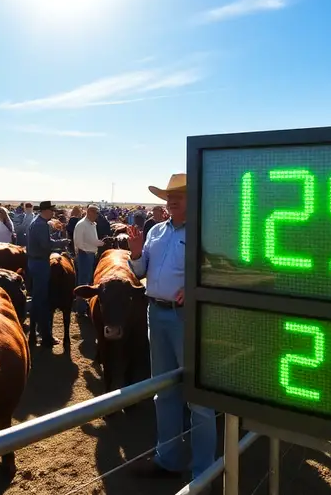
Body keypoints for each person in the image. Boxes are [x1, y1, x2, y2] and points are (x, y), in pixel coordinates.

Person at [128, 174, 215, 482]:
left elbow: (219, 272)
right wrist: (136, 253)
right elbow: (140, 273)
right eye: (168, 195)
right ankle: (169, 458)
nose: (171, 200)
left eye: (179, 195)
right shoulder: (154, 232)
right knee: (163, 391)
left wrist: (196, 290)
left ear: (194, 200)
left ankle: (203, 472)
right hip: (156, 313)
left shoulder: (205, 234)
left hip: (185, 318)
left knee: (198, 398)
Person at [26, 200, 67, 347]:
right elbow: (45, 246)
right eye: (51, 210)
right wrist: (61, 243)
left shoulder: (36, 222)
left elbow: (44, 241)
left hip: (33, 262)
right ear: (45, 211)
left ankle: (36, 332)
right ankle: (45, 336)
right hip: (40, 264)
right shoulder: (41, 225)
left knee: (38, 299)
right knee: (41, 301)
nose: (53, 213)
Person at [72, 205, 103, 315]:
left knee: (88, 279)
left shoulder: (91, 225)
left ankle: (85, 305)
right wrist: (100, 243)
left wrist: (99, 243)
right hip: (84, 254)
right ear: (89, 212)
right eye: (95, 213)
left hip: (90, 254)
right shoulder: (82, 225)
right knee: (83, 281)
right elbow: (79, 242)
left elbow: (93, 240)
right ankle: (80, 309)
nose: (97, 216)